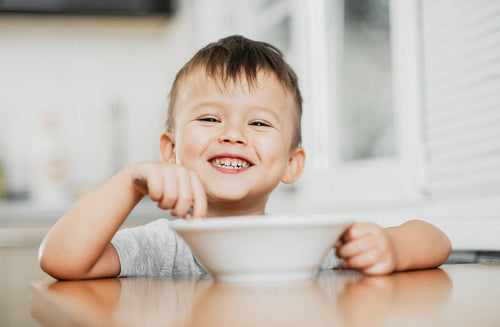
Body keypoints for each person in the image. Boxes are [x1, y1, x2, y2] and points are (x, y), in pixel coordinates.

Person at [39, 35, 452, 280]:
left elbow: (436, 239)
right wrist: (129, 183)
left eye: (258, 124)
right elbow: (60, 260)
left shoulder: (307, 244)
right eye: (210, 117)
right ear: (170, 151)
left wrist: (392, 248)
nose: (233, 134)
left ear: (293, 163)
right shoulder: (163, 246)